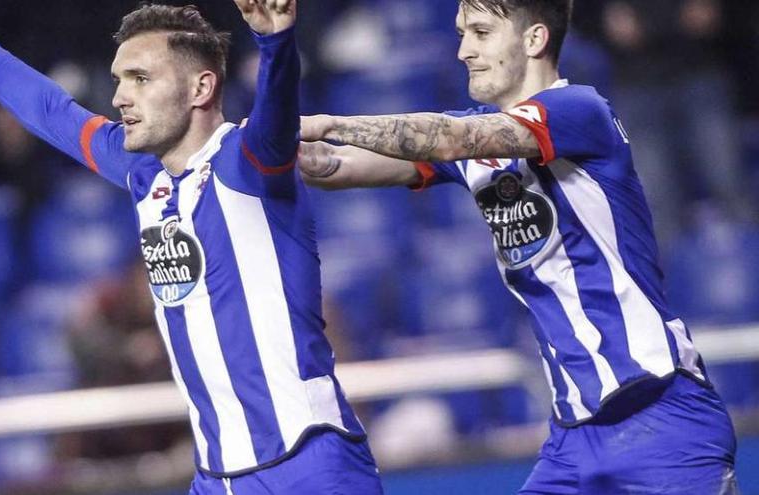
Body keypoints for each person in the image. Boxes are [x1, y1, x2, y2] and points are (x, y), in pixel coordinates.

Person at [0, 0, 384, 493]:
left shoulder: (247, 162)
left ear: (201, 87)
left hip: (308, 464)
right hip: (216, 476)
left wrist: (275, 41)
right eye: (119, 80)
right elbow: (40, 103)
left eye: (141, 79)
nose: (120, 97)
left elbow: (277, 108)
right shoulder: (141, 171)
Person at [297, 0, 739, 493]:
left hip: (662, 413)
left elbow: (449, 139)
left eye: (481, 33)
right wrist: (272, 144)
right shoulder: (476, 147)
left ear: (534, 40)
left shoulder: (579, 110)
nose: (464, 50)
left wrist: (327, 122)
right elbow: (335, 169)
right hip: (573, 435)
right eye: (463, 34)